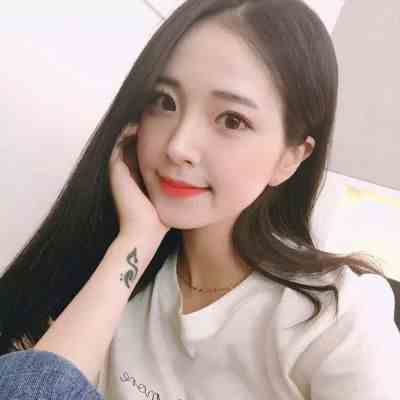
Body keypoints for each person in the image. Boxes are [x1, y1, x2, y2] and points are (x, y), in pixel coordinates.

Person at [1, 0, 399, 398]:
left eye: (232, 120)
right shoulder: (111, 280)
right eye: (165, 102)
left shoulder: (335, 318)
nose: (178, 146)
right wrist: (136, 240)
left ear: (290, 158)